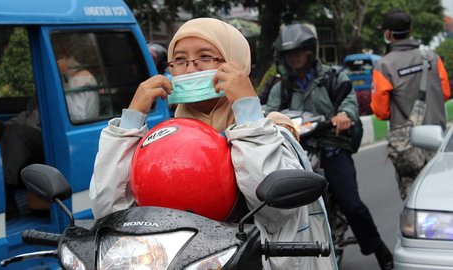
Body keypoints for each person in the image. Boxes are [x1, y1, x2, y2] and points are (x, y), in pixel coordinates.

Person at [89, 18, 334, 270]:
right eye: (180, 60)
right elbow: (110, 212)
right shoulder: (160, 141)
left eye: (205, 57)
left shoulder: (270, 129)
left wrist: (247, 111)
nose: (190, 69)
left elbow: (276, 212)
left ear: (236, 64)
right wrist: (131, 119)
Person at [263, 23, 394, 270]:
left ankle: (380, 251)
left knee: (352, 205)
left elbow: (350, 103)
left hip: (332, 146)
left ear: (311, 51)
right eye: (289, 53)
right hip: (297, 150)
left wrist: (344, 113)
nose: (294, 57)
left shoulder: (334, 77)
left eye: (299, 51)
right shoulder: (281, 86)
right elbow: (268, 110)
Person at [371, 9, 451, 200]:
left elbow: (381, 112)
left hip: (407, 147)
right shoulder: (432, 57)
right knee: (442, 196)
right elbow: (446, 93)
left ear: (388, 34)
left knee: (415, 199)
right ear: (411, 29)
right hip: (436, 141)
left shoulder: (384, 65)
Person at [0, 95, 44, 219]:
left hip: (48, 136)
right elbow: (29, 115)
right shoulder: (35, 100)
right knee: (6, 129)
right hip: (32, 127)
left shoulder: (77, 82)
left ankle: (7, 187)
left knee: (15, 133)